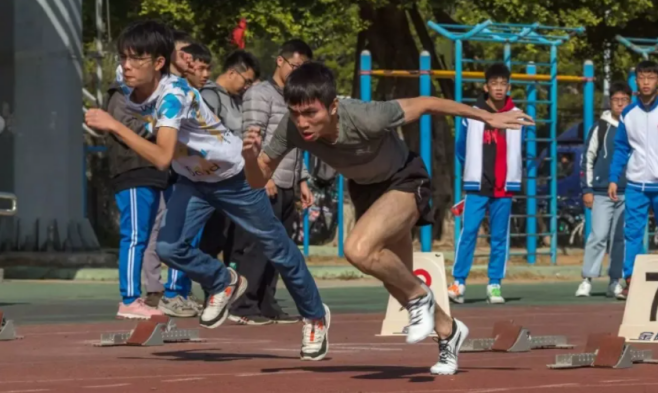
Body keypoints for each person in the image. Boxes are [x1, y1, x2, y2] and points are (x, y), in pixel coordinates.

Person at [242, 62, 533, 374]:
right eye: (296, 113)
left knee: (357, 249)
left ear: (333, 106)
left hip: (405, 180)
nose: (303, 123)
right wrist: (249, 156)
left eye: (311, 113)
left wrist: (489, 117)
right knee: (396, 279)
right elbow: (258, 181)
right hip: (366, 191)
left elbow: (427, 103)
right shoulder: (292, 128)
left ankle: (421, 297)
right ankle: (449, 331)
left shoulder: (365, 115)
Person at [85, 20, 330, 361]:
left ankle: (315, 316)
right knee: (169, 247)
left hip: (235, 177)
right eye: (123, 57)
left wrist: (111, 124)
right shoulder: (129, 83)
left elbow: (161, 157)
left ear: (156, 64)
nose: (126, 66)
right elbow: (166, 56)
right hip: (195, 181)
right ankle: (222, 280)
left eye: (136, 59)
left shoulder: (173, 98)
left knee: (276, 247)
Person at [229, 40, 314, 326]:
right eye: (296, 66)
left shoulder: (295, 97)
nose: (299, 72)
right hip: (263, 182)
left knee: (280, 247)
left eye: (304, 68)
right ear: (281, 61)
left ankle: (266, 301)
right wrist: (261, 177)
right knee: (256, 245)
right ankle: (243, 305)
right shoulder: (259, 94)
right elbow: (252, 137)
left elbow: (298, 143)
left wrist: (302, 180)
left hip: (288, 182)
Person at [447, 64, 522, 305]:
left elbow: (521, 149)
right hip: (477, 185)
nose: (499, 88)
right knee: (468, 233)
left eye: (503, 84)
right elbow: (460, 148)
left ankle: (494, 284)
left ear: (508, 87)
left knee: (499, 237)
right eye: (494, 83)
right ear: (486, 87)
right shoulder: (473, 113)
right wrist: (472, 170)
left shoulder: (517, 114)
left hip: (504, 186)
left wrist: (513, 173)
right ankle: (459, 283)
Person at [198, 50, 260, 283]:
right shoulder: (209, 96)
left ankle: (231, 286)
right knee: (212, 240)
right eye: (246, 81)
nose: (247, 87)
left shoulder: (236, 101)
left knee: (233, 241)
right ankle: (213, 289)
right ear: (232, 72)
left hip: (236, 181)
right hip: (215, 181)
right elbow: (206, 137)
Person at [576, 82, 631, 299]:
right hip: (600, 191)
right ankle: (587, 279)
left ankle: (615, 281)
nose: (620, 103)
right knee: (598, 235)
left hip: (628, 191)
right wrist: (587, 189)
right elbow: (587, 159)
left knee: (620, 238)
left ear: (630, 101)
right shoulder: (600, 127)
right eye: (616, 99)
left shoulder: (635, 125)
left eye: (624, 100)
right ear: (610, 102)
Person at [609, 60, 658, 299]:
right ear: (636, 81)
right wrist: (612, 178)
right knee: (633, 234)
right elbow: (620, 148)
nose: (646, 82)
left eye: (651, 77)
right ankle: (631, 280)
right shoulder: (628, 113)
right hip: (636, 185)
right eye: (642, 78)